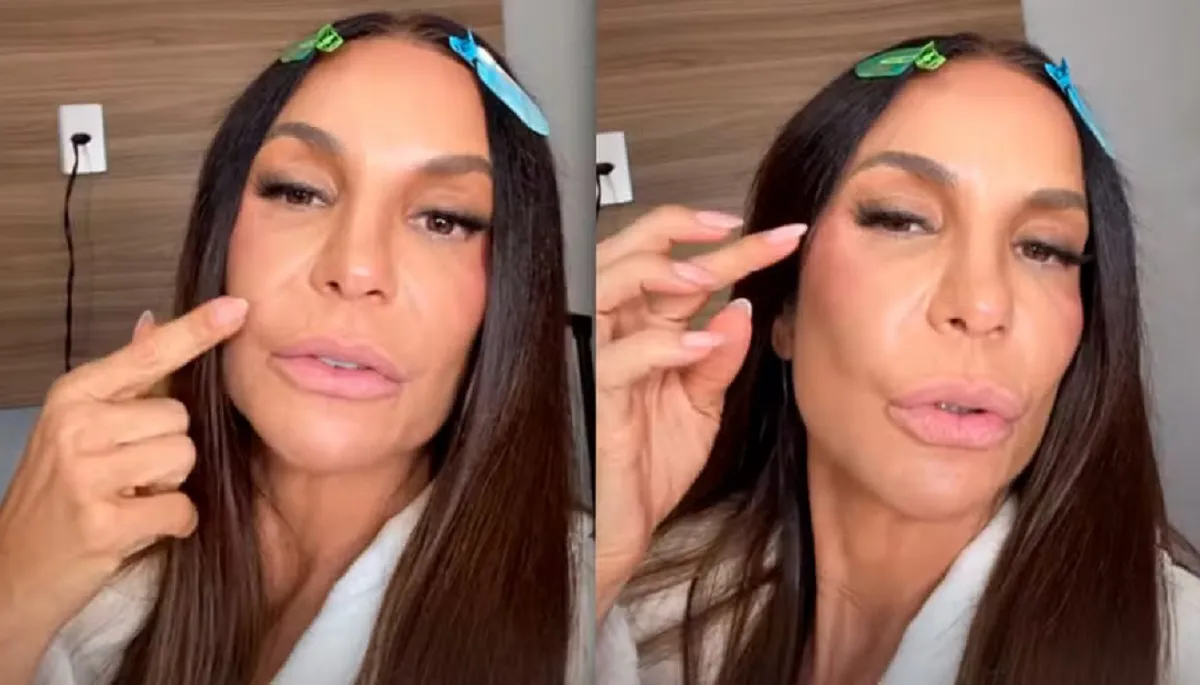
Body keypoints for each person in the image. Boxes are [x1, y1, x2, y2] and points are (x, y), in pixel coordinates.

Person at [595, 33, 1200, 685]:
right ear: (786, 308)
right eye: (901, 219)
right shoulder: (630, 604)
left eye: (1044, 249)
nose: (983, 305)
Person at [0, 12, 584, 685]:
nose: (355, 269)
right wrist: (15, 596)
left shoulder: (583, 616)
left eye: (443, 219)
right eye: (299, 192)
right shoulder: (74, 556)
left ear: (512, 291)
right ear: (220, 239)